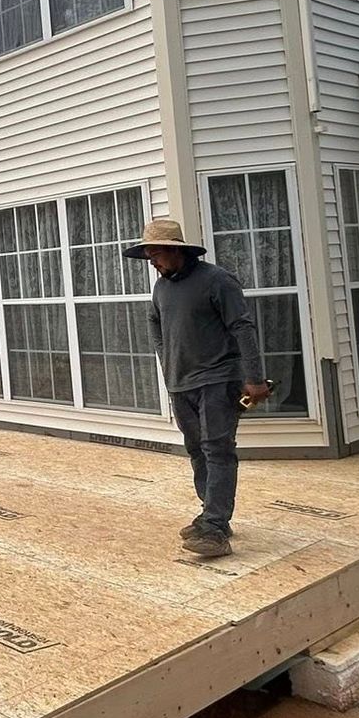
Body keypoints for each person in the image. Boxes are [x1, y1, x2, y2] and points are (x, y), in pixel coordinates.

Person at [130, 219, 270, 560]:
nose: (152, 261)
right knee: (196, 449)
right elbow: (155, 321)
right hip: (181, 383)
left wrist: (253, 377)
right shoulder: (162, 287)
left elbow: (242, 326)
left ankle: (215, 527)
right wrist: (166, 359)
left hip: (218, 379)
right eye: (148, 255)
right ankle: (211, 513)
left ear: (177, 251)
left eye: (156, 253)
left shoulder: (216, 280)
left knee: (217, 449)